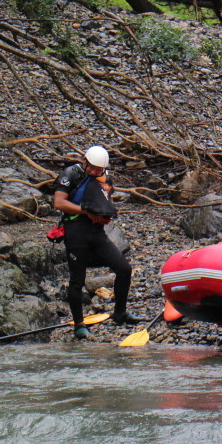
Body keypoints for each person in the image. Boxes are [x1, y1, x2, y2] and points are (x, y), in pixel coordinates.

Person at [53, 145, 139, 339]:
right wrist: (86, 211)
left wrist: (104, 216)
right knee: (77, 280)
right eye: (91, 168)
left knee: (124, 269)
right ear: (85, 161)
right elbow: (59, 203)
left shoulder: (105, 179)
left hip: (97, 232)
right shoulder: (71, 173)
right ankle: (79, 325)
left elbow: (107, 202)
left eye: (98, 170)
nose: (93, 172)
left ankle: (120, 313)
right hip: (75, 231)